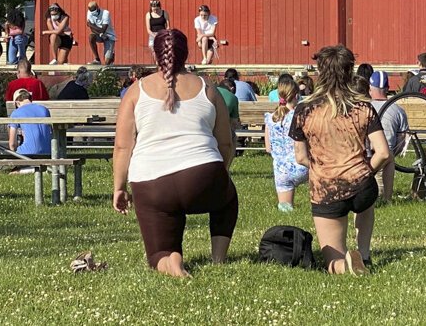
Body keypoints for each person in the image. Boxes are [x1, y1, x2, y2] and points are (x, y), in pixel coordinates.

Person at [113, 28, 237, 277]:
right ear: (187, 53)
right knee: (227, 201)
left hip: (150, 183)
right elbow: (225, 143)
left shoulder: (136, 91)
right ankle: (218, 259)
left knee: (157, 253)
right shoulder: (207, 88)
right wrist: (216, 173)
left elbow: (123, 146)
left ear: (155, 55)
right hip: (203, 174)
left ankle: (170, 260)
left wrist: (119, 187)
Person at [289, 45, 391, 275]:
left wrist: (321, 167)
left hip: (327, 188)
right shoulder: (364, 107)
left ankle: (344, 264)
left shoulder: (305, 110)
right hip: (363, 185)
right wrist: (365, 171)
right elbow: (383, 152)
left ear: (320, 72)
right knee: (364, 202)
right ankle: (363, 253)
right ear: (350, 71)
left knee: (332, 262)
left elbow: (301, 156)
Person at [265, 79, 308, 212]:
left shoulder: (270, 119)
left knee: (285, 209)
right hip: (302, 166)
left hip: (280, 170)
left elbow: (268, 148)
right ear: (296, 95)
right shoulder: (299, 117)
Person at [368, 71, 409, 202]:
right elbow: (402, 140)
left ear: (370, 89)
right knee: (389, 157)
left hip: (366, 156)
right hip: (385, 159)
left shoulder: (365, 107)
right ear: (387, 89)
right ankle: (387, 198)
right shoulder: (398, 110)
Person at [9, 89, 52, 174]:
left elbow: (12, 144)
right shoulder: (45, 110)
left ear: (17, 102)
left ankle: (28, 170)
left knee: (8, 168)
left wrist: (14, 151)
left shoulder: (16, 113)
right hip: (48, 152)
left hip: (28, 154)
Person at [86, 1, 116, 66]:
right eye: (91, 12)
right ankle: (97, 59)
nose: (93, 13)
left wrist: (90, 25)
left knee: (107, 63)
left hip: (109, 36)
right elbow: (92, 30)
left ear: (97, 7)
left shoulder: (105, 13)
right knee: (91, 37)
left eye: (94, 11)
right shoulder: (89, 13)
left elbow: (103, 29)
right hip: (99, 34)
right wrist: (100, 34)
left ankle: (111, 55)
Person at [216, 77, 240, 143]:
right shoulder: (233, 97)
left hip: (204, 128)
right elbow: (234, 122)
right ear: (232, 88)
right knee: (233, 136)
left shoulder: (211, 91)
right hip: (221, 131)